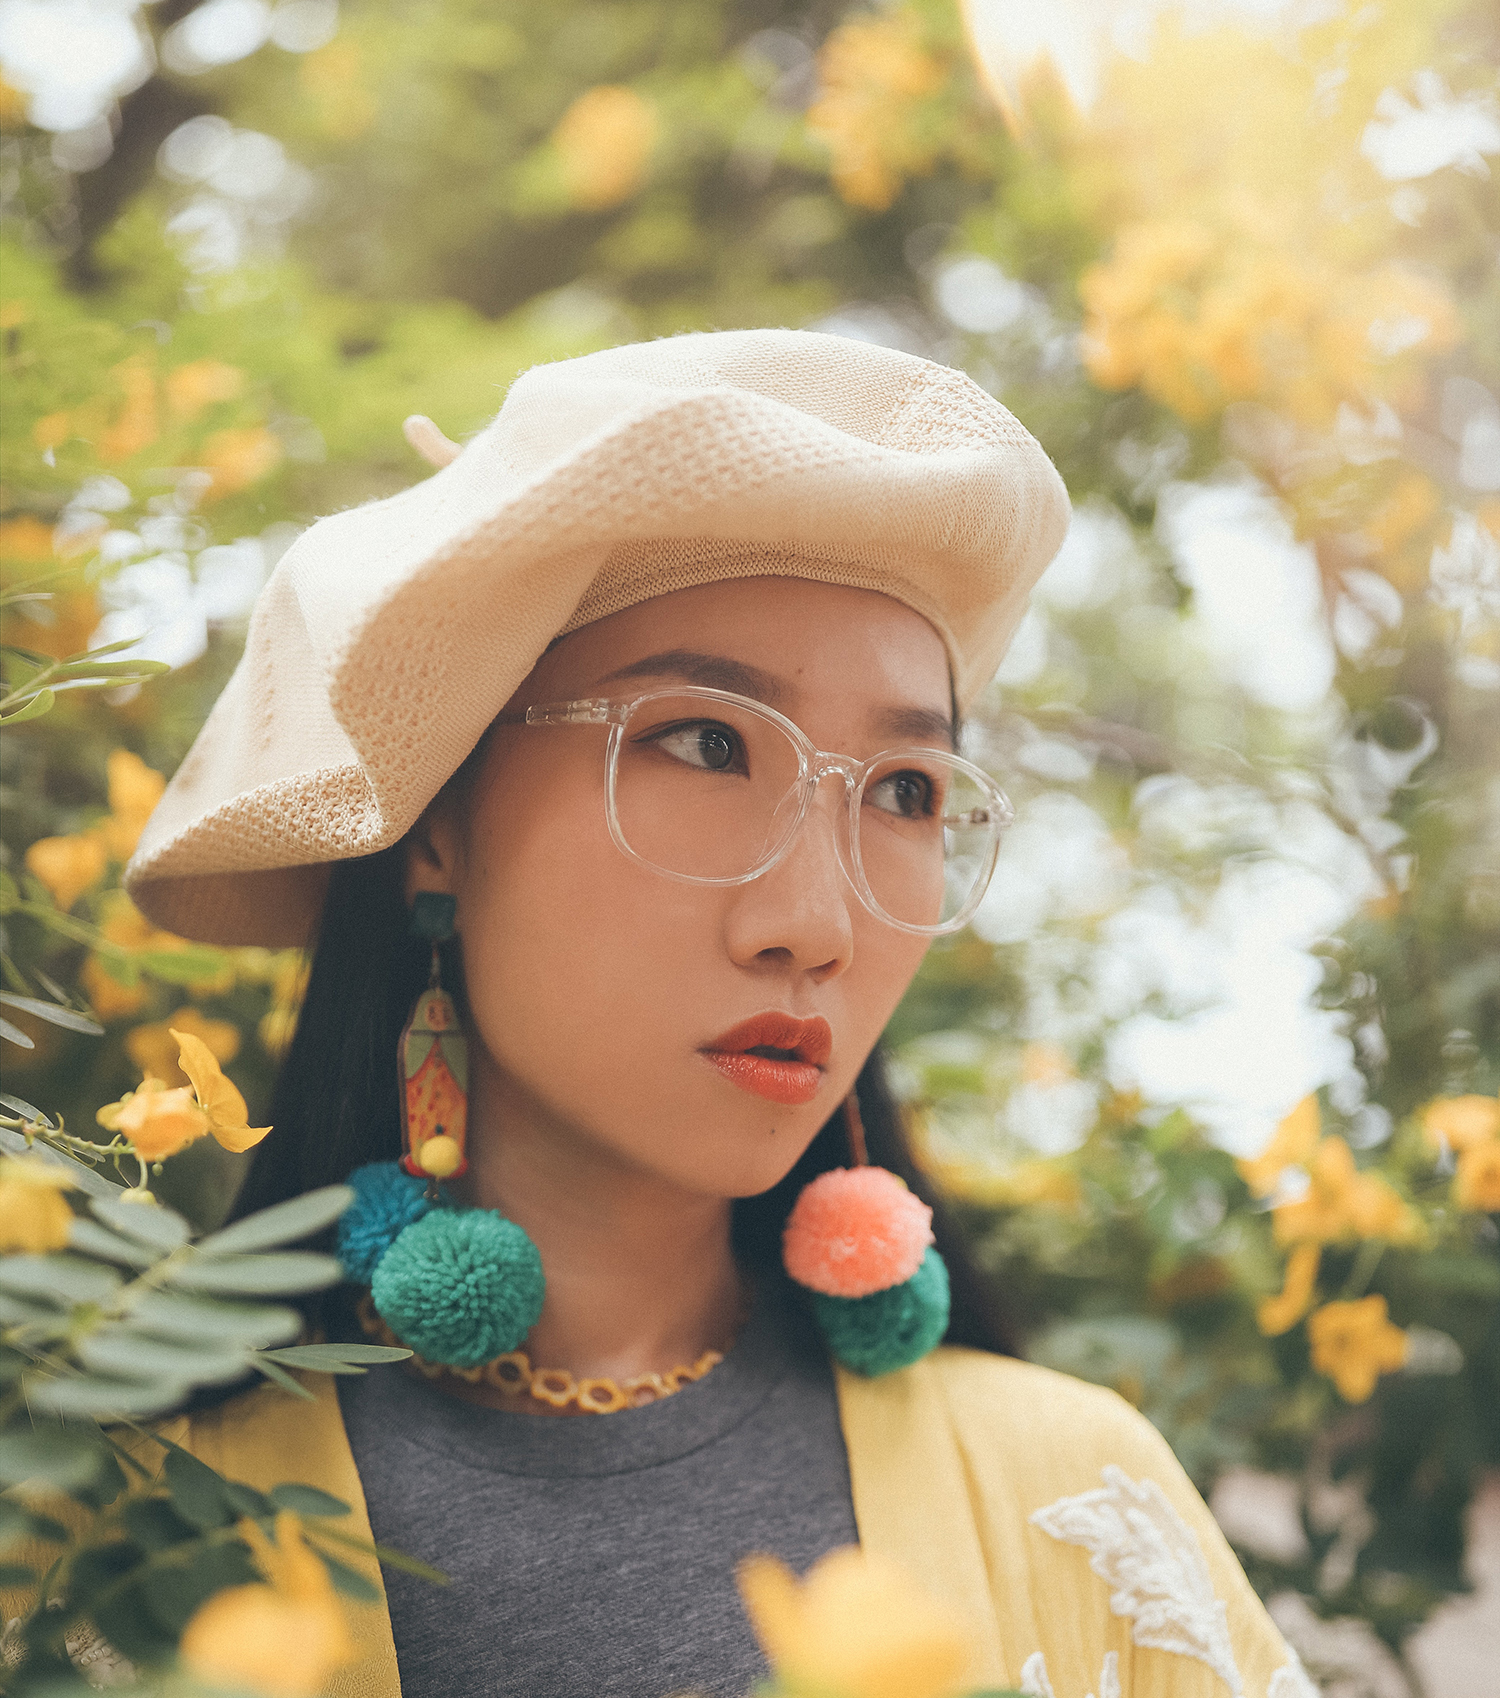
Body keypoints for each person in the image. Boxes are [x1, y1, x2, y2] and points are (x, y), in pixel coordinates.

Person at [128, 330, 1312, 1698]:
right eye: (704, 740)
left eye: (908, 788)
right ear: (438, 824)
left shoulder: (1080, 1499)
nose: (815, 920)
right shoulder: (129, 1530)